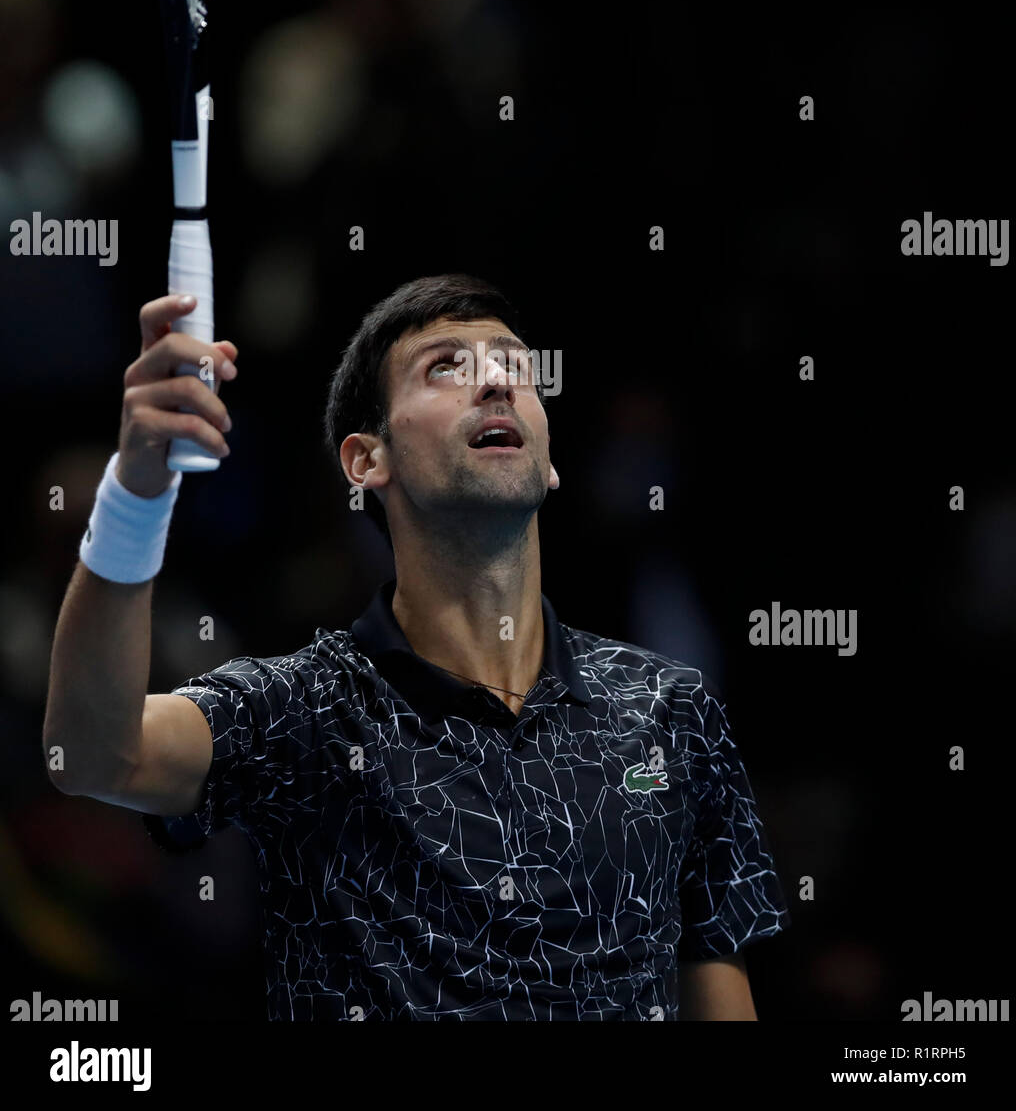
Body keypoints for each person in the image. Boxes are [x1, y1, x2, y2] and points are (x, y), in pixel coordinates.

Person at [44, 273, 791, 1020]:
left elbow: (719, 995)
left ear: (550, 459)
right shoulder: (304, 712)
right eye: (445, 367)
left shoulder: (670, 710)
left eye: (514, 366)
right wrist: (136, 491)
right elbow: (89, 755)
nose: (496, 381)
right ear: (367, 461)